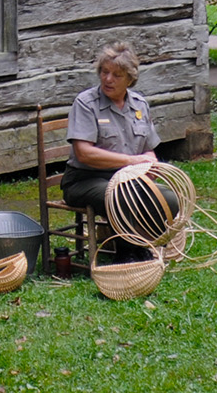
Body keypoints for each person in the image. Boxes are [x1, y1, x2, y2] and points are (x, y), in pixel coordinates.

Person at [60, 41, 160, 262]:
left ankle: (141, 243)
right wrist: (131, 161)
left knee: (168, 198)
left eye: (116, 75)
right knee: (122, 196)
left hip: (127, 179)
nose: (108, 79)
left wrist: (152, 166)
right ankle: (125, 254)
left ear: (130, 79)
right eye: (105, 72)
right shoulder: (86, 103)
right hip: (84, 180)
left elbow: (148, 149)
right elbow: (84, 153)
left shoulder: (140, 105)